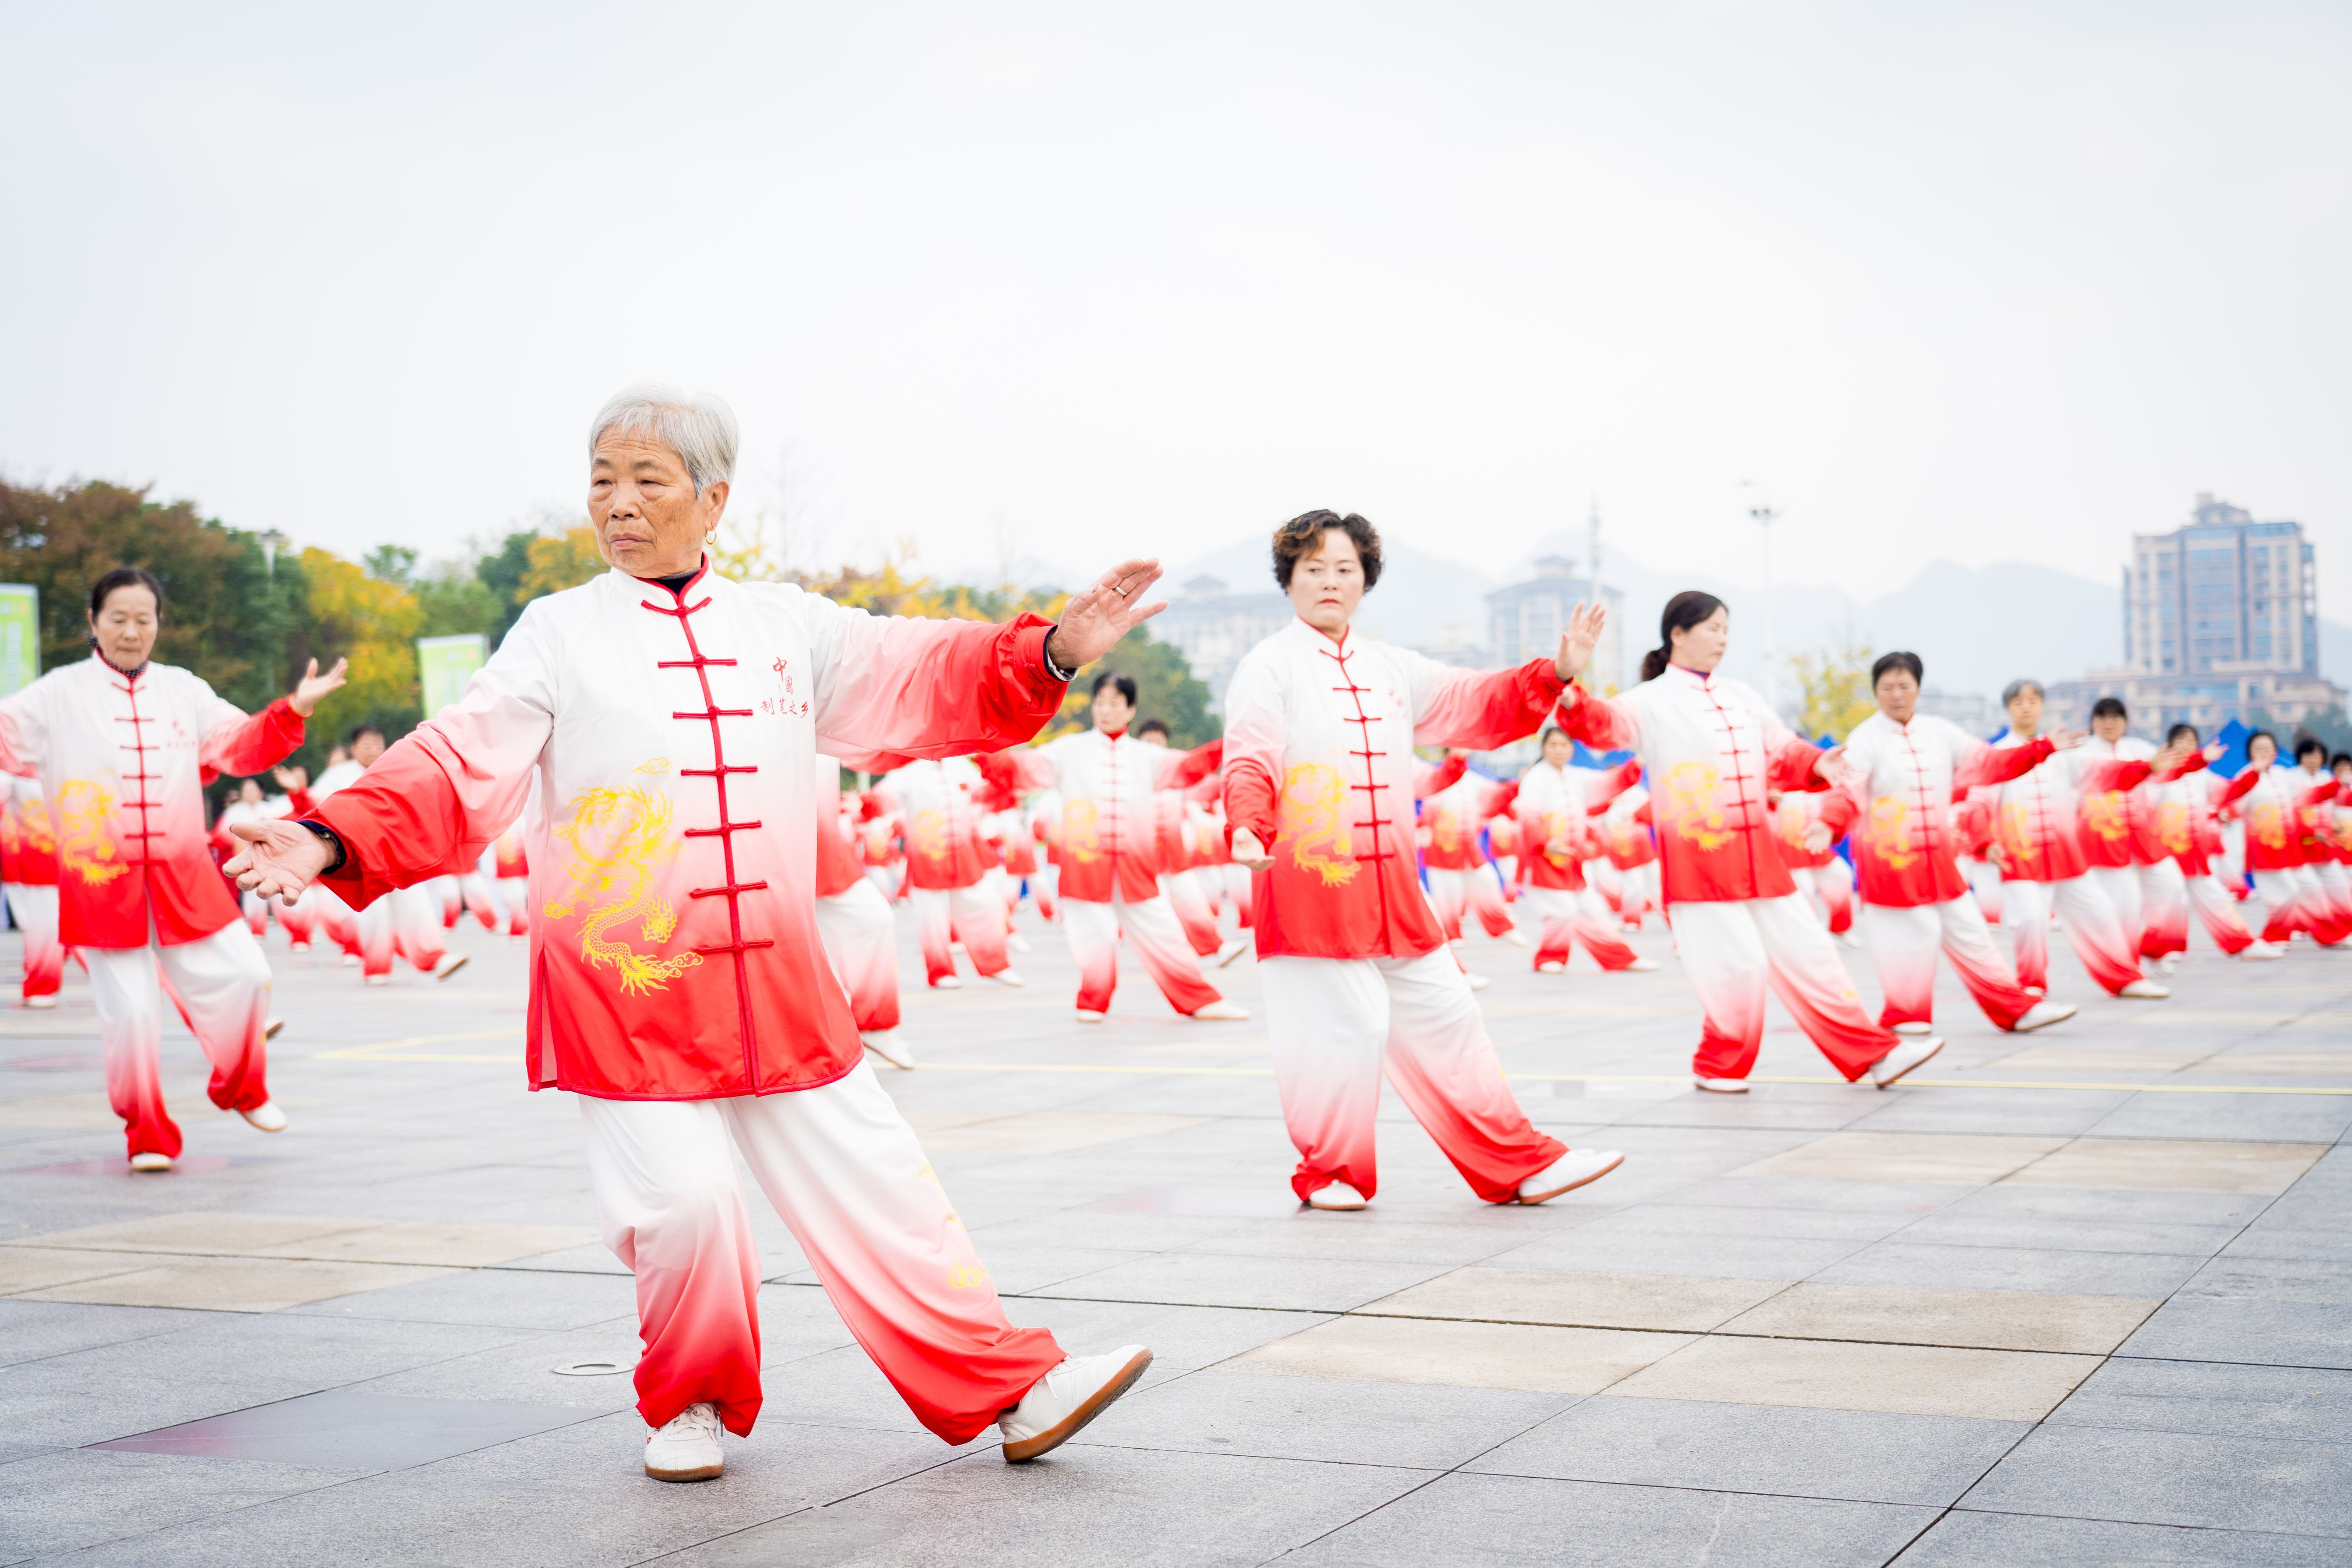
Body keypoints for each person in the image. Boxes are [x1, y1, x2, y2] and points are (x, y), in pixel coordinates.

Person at [227, 383, 1160, 1482]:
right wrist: (328, 838)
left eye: (646, 481)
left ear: (713, 500)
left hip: (779, 981)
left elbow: (922, 672)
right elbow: (455, 758)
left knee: (883, 1184)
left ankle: (1014, 1389)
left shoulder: (788, 627)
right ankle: (694, 1405)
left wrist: (1049, 652)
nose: (617, 505)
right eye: (602, 481)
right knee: (684, 1206)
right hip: (627, 985)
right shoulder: (559, 634)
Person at [1225, 510, 1622, 1210]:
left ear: (1365, 581)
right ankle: (1331, 1172)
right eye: (1313, 568)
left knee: (1451, 1016)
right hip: (1313, 887)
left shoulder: (1392, 668)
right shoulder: (1269, 668)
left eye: (1345, 569)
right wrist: (1250, 826)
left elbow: (1476, 701)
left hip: (1396, 892)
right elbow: (1251, 757)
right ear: (1288, 579)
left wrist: (1556, 672)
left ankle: (1517, 1164)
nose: (1329, 582)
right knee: (1350, 1028)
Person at [0, 566, 345, 1170]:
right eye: (118, 619)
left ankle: (241, 1085)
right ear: (93, 622)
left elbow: (239, 744)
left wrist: (292, 709)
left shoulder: (184, 689)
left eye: (144, 619)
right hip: (101, 880)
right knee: (131, 1015)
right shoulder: (56, 694)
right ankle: (147, 1134)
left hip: (184, 875)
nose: (132, 632)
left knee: (248, 977)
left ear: (159, 624)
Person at [1552, 592, 1936, 1094]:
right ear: (1678, 635)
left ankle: (1872, 1054)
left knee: (1811, 952)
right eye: (1713, 628)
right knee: (1740, 968)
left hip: (1760, 858)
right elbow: (1597, 725)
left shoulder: (1741, 695)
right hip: (1700, 864)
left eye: (1726, 628)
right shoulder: (1650, 701)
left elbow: (1782, 748)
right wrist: (1567, 680)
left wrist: (1819, 763)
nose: (1723, 638)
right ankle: (1718, 1065)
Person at [1829, 652, 2076, 1036]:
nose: (1896, 695)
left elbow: (1989, 763)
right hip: (1892, 864)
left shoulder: (1940, 732)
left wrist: (2039, 749)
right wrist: (1828, 825)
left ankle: (2015, 1009)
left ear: (1918, 689)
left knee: (1972, 934)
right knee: (1909, 940)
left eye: (1904, 686)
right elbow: (1847, 792)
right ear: (1876, 691)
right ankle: (1906, 1016)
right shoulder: (1864, 739)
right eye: (1887, 688)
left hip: (1939, 860)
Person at [986, 672, 1247, 1022]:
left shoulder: (1147, 757)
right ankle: (1092, 1001)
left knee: (1165, 933)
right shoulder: (1069, 750)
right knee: (1094, 938)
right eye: (1100, 703)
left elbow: (1189, 766)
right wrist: (980, 745)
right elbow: (1021, 768)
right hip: (1084, 863)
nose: (1105, 710)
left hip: (1137, 866)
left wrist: (1232, 743)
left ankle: (1200, 1000)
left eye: (1114, 703)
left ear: (1130, 710)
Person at [1983, 681, 2174, 999]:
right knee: (2030, 919)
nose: (2027, 707)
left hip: (2066, 857)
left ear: (2042, 706)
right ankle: (2032, 986)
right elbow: (1980, 802)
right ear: (2008, 709)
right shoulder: (1998, 754)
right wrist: (1984, 842)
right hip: (2022, 858)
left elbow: (2104, 774)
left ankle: (2125, 978)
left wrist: (2146, 768)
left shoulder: (2063, 754)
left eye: (2033, 701)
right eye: (2019, 702)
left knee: (2099, 914)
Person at [1512, 728, 1648, 975]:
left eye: (1564, 745)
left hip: (1572, 861)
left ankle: (1618, 958)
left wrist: (1636, 764)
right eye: (1553, 745)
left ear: (1572, 749)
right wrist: (1545, 842)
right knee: (1563, 910)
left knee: (1593, 911)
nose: (1558, 750)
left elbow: (1609, 783)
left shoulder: (1576, 777)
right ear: (1544, 748)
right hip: (1544, 860)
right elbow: (1528, 816)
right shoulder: (1536, 778)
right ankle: (1549, 957)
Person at [2141, 723, 2275, 964]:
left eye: (2192, 741)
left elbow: (2231, 791)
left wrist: (2254, 772)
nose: (2187, 746)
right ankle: (2166, 949)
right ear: (2171, 745)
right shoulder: (2160, 775)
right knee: (2172, 900)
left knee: (2215, 898)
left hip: (2197, 853)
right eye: (2181, 741)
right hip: (2168, 854)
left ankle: (2242, 944)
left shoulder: (2204, 777)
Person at [812, 750, 911, 1067]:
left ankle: (872, 1022)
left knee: (875, 917)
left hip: (824, 847)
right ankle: (828, 1034)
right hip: (767, 838)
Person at [0, 773, 64, 1007]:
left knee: (46, 925)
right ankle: (41, 983)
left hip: (66, 857)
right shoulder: (13, 758)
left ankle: (42, 983)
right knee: (44, 925)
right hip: (44, 857)